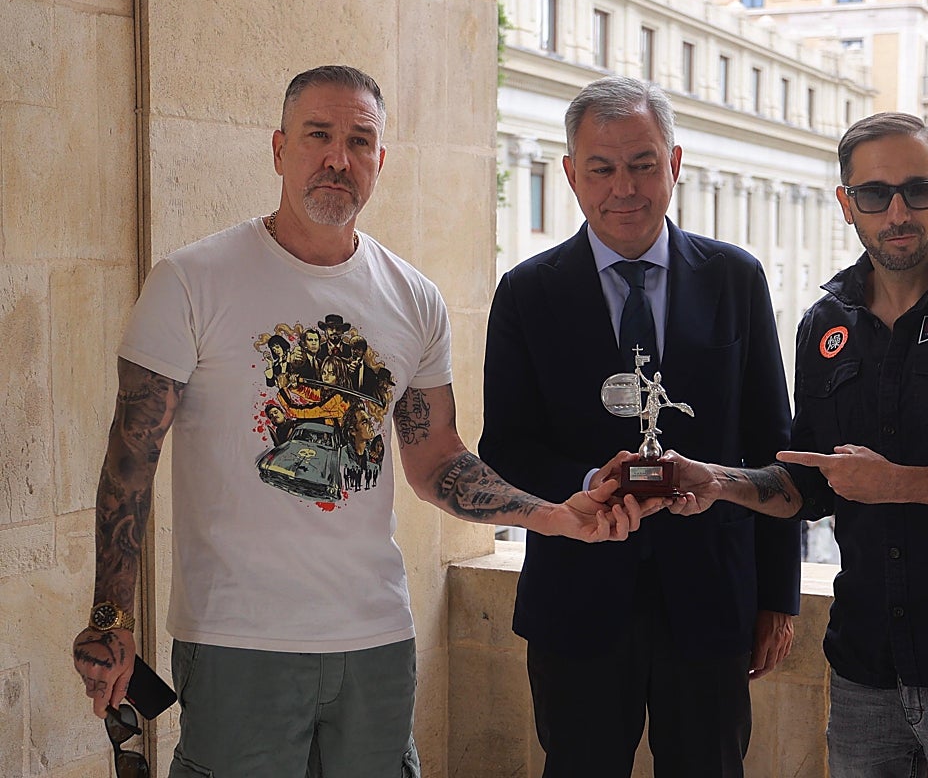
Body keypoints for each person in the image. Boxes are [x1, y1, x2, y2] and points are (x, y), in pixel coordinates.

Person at [70, 65, 661, 777]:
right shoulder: (191, 280)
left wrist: (554, 515)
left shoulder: (414, 298)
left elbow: (437, 460)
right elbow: (130, 461)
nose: (337, 158)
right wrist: (111, 618)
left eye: (358, 141)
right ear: (279, 149)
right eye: (318, 135)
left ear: (379, 160)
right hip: (238, 639)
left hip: (376, 640)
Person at [666, 112, 928, 777]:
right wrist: (720, 482)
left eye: (917, 190)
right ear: (846, 204)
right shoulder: (824, 324)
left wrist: (897, 483)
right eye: (874, 194)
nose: (898, 212)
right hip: (865, 668)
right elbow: (811, 484)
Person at [479, 75, 802, 778]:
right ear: (571, 174)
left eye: (642, 164)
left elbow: (772, 446)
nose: (623, 188)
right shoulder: (527, 292)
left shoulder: (736, 279)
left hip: (713, 602)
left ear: (674, 164)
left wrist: (778, 597)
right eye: (601, 168)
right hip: (577, 602)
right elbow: (503, 448)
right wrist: (588, 484)